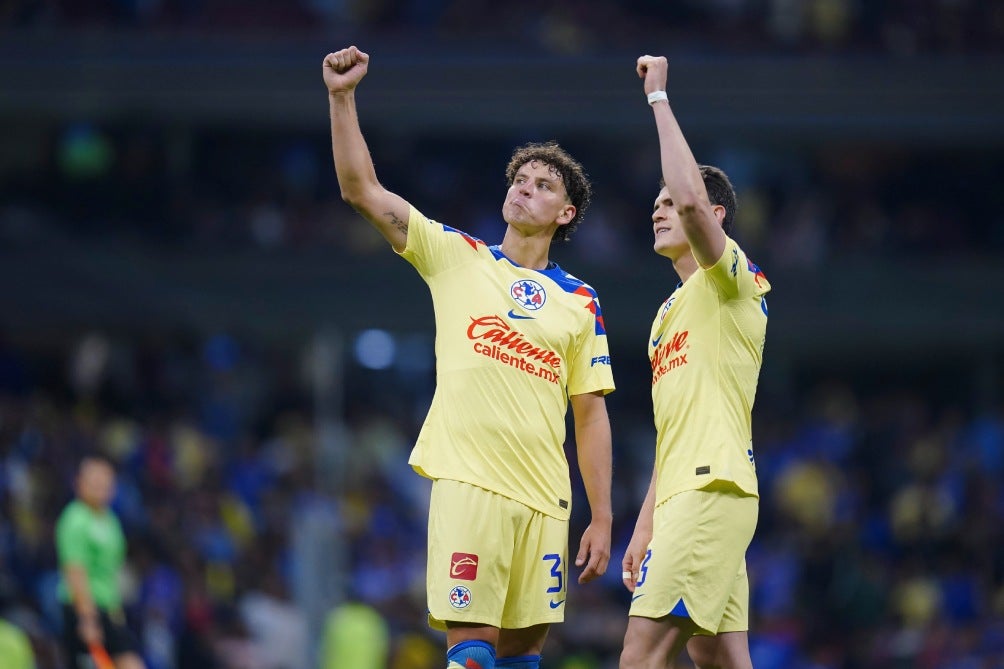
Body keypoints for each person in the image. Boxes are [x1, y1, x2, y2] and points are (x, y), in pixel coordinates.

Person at [323, 46, 615, 669]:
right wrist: (342, 98)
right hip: (473, 485)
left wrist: (603, 514)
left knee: (522, 657)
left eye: (543, 186)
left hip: (547, 499)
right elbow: (361, 190)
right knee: (472, 653)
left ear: (565, 214)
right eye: (519, 180)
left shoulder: (581, 301)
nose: (524, 190)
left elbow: (589, 415)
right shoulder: (458, 256)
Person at [619, 55, 771, 669]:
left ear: (716, 218)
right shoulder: (664, 317)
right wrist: (645, 523)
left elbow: (689, 201)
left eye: (671, 202)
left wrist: (658, 99)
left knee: (641, 653)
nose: (660, 209)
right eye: (652, 203)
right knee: (720, 657)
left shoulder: (732, 281)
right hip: (686, 492)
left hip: (713, 489)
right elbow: (670, 434)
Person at [56, 455, 146, 669]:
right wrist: (87, 618)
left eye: (105, 482)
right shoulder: (75, 519)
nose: (100, 487)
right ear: (79, 483)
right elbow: (75, 569)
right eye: (94, 481)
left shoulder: (109, 519)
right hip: (85, 609)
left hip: (109, 608)